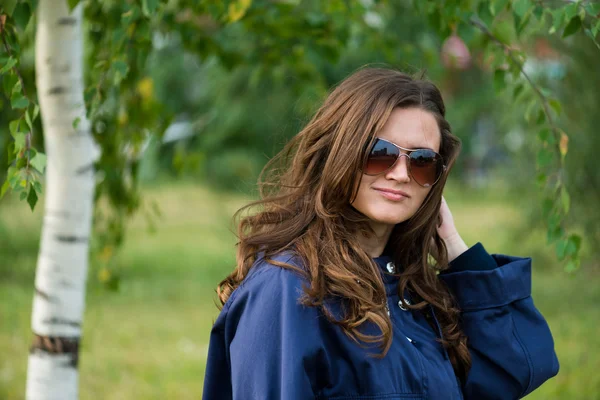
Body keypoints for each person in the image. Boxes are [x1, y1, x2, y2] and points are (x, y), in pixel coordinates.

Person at [202, 68, 559, 400]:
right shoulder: (289, 288)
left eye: (422, 162)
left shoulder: (413, 289)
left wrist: (453, 246)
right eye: (380, 153)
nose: (401, 174)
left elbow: (516, 371)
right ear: (339, 153)